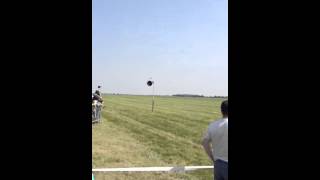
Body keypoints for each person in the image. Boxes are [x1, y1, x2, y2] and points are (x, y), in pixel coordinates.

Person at [202, 100, 228, 180]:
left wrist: (212, 157)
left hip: (218, 165)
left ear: (221, 110)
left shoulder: (212, 125)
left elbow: (205, 142)